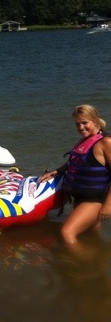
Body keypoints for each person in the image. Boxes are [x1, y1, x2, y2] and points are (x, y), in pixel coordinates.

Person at [38, 104, 111, 248]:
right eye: (77, 124)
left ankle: (81, 260)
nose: (81, 127)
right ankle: (101, 257)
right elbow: (77, 162)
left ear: (95, 121)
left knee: (67, 233)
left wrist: (108, 205)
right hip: (81, 197)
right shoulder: (86, 141)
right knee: (91, 234)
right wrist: (57, 171)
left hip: (94, 200)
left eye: (85, 122)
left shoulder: (106, 142)